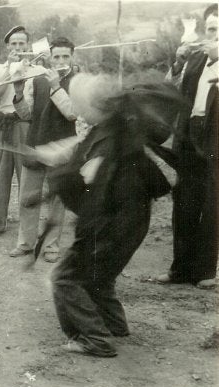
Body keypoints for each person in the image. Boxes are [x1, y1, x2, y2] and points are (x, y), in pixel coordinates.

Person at [41, 74, 184, 357]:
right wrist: (64, 153)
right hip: (131, 224)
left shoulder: (105, 146)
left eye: (77, 103)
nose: (75, 108)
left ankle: (95, 339)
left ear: (91, 107)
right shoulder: (119, 126)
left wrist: (58, 173)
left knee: (65, 278)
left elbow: (89, 193)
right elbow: (85, 149)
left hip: (110, 225)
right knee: (100, 276)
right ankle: (115, 326)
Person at [157, 4, 218, 289]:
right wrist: (178, 63)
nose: (212, 36)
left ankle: (206, 271)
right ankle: (180, 269)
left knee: (213, 204)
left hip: (216, 138)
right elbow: (172, 90)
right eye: (211, 30)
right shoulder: (196, 60)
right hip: (190, 135)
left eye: (217, 31)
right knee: (185, 203)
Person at [11, 37, 77, 267]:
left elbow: (72, 113)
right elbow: (26, 115)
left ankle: (51, 247)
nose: (60, 60)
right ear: (49, 56)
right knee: (28, 198)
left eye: (65, 56)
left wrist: (56, 86)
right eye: (56, 56)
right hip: (36, 144)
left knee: (57, 201)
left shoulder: (78, 81)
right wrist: (18, 94)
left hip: (61, 149)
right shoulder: (37, 80)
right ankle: (25, 244)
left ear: (72, 57)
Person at [0, 26, 32, 238]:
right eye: (14, 44)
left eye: (22, 43)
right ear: (7, 47)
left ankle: (27, 227)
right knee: (0, 175)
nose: (18, 47)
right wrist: (9, 69)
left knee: (26, 178)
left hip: (24, 125)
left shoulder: (35, 70)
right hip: (3, 124)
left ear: (28, 45)